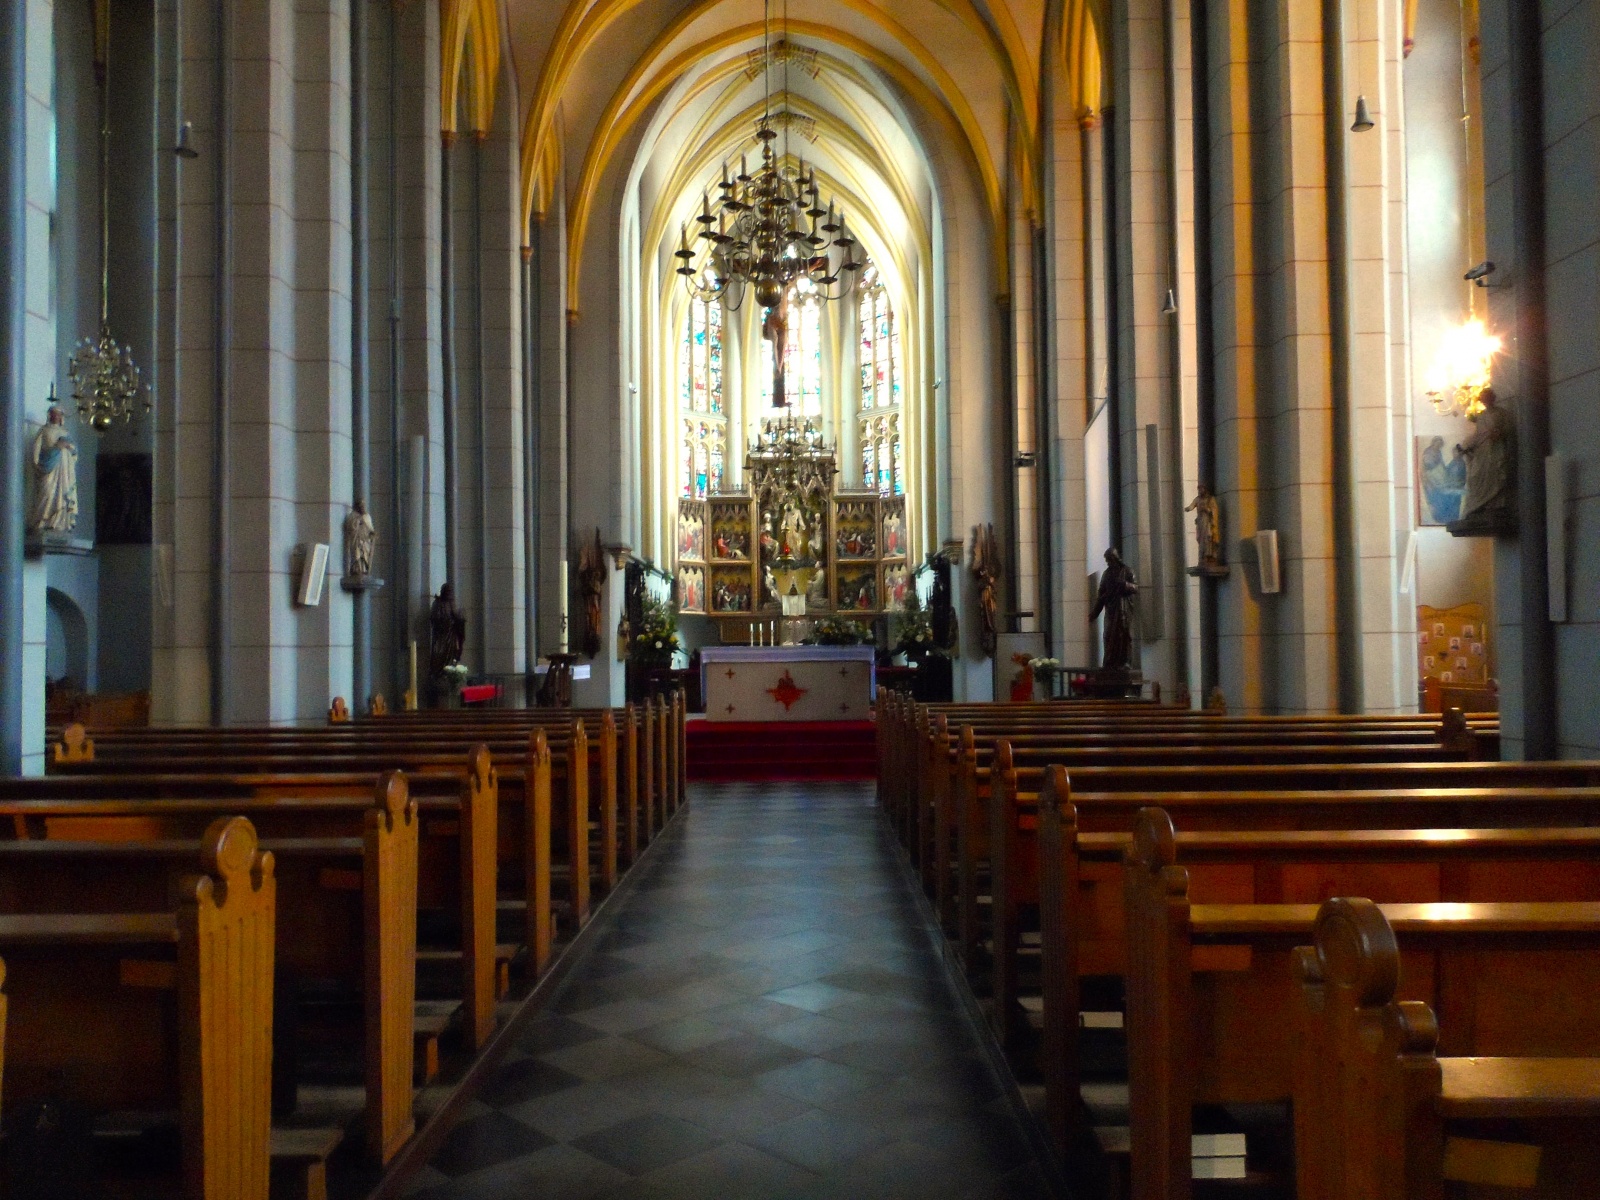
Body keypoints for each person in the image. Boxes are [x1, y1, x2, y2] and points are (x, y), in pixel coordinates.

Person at [1454, 388, 1515, 529]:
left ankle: (1495, 505)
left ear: (1492, 398)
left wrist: (1500, 433)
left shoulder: (1502, 414)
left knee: (1496, 474)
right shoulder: (1481, 416)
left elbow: (1509, 429)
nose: (1485, 401)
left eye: (1486, 398)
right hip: (1483, 451)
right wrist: (1469, 448)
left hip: (1496, 449)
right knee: (1476, 476)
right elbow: (1478, 435)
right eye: (1483, 399)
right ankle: (1480, 505)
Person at [27, 405, 78, 533]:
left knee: (63, 496)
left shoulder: (65, 433)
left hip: (65, 471)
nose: (57, 416)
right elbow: (36, 452)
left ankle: (60, 522)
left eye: (59, 414)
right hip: (49, 467)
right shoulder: (44, 431)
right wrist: (39, 464)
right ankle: (42, 521)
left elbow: (74, 452)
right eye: (54, 414)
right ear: (50, 415)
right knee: (47, 492)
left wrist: (68, 447)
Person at [1089, 547, 1139, 670]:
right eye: (1107, 560)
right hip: (1111, 611)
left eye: (1109, 559)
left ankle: (1125, 662)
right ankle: (1109, 662)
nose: (1108, 562)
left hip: (1123, 609)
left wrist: (1124, 585)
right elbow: (1101, 595)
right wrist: (1094, 613)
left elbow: (1135, 587)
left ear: (1115, 558)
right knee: (1108, 635)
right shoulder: (1106, 574)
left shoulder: (1127, 571)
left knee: (1124, 635)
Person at [429, 583, 467, 677]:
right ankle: (439, 674)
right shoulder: (437, 604)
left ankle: (447, 673)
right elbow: (434, 618)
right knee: (439, 655)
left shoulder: (452, 604)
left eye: (450, 592)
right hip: (441, 636)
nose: (449, 594)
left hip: (451, 635)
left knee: (452, 654)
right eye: (448, 592)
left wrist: (460, 616)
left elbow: (458, 617)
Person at [1184, 484, 1222, 567]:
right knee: (1201, 538)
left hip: (1208, 521)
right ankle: (1203, 555)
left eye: (1201, 489)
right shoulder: (1198, 499)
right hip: (1201, 521)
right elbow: (1191, 506)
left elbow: (1214, 511)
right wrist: (1187, 509)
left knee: (1208, 537)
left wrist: (1207, 509)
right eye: (1199, 489)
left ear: (1205, 489)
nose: (1200, 491)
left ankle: (1209, 555)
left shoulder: (1210, 499)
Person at [344, 498, 376, 578]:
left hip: (365, 540)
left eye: (363, 505)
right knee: (356, 553)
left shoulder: (367, 516)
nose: (362, 507)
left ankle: (364, 569)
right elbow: (351, 527)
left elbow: (370, 527)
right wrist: (358, 520)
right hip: (356, 539)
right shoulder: (352, 516)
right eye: (361, 505)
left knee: (364, 554)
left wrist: (372, 533)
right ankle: (356, 569)